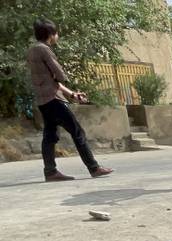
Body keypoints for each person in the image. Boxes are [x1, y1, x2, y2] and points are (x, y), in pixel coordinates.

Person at [26, 19, 113, 182]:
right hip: (54, 100)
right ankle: (94, 168)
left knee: (50, 135)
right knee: (77, 132)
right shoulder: (44, 49)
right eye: (56, 33)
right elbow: (59, 76)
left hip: (43, 101)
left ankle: (50, 172)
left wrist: (72, 94)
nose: (57, 36)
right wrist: (67, 81)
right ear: (50, 35)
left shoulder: (31, 50)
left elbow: (51, 81)